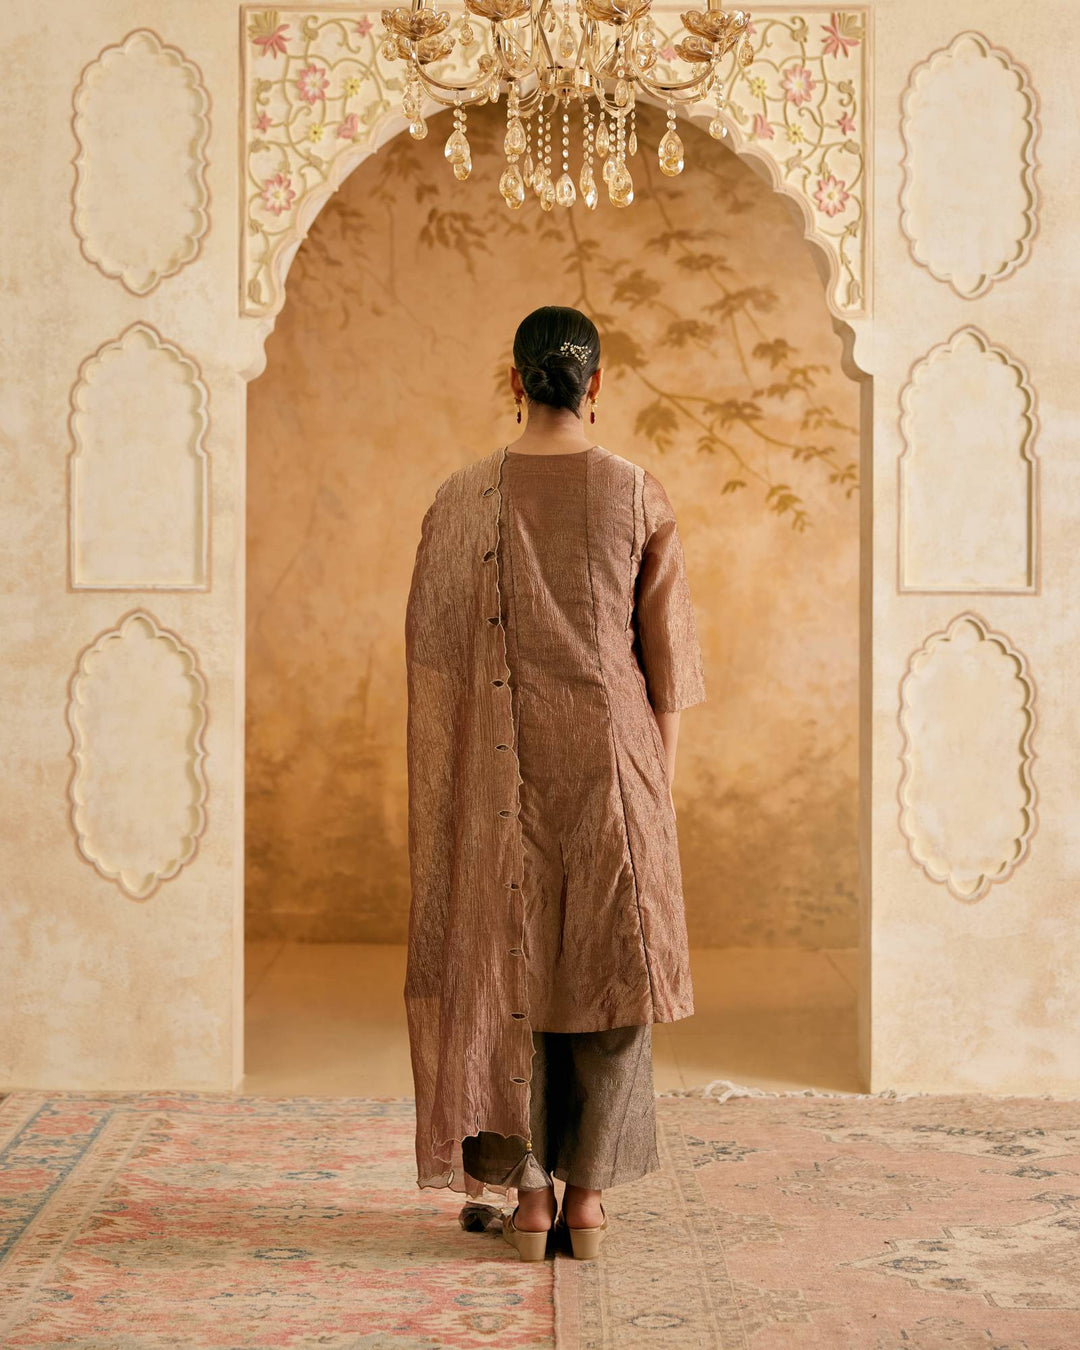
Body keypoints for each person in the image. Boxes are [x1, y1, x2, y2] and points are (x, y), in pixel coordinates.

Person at [404, 304, 706, 1262]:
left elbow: (436, 657)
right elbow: (669, 671)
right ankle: (588, 1202)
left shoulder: (460, 500)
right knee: (610, 981)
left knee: (512, 971)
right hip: (617, 770)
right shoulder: (638, 493)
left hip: (502, 772)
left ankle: (528, 1198)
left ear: (516, 381)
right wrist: (653, 791)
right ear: (598, 385)